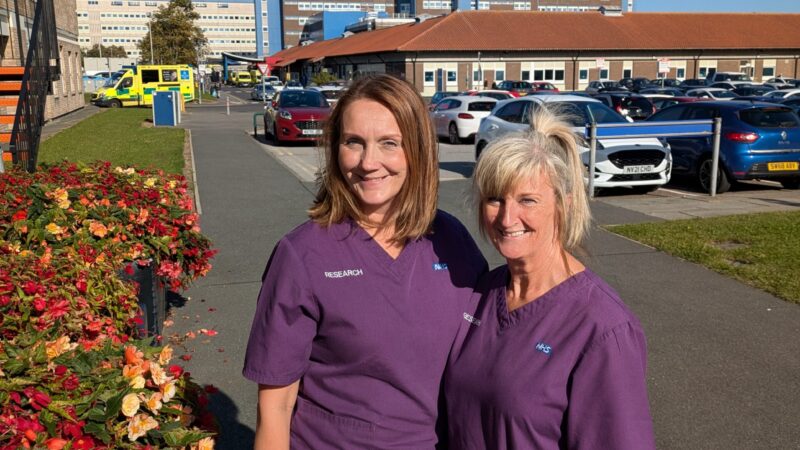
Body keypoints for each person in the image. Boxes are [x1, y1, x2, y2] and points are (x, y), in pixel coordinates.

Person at [243, 74, 487, 449]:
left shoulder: (452, 241)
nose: (368, 162)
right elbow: (276, 407)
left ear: (418, 150)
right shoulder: (303, 255)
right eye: (353, 142)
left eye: (389, 143)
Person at [444, 106, 656, 449]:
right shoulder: (481, 293)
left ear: (564, 204)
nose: (507, 218)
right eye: (495, 199)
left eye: (527, 200)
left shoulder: (602, 328)